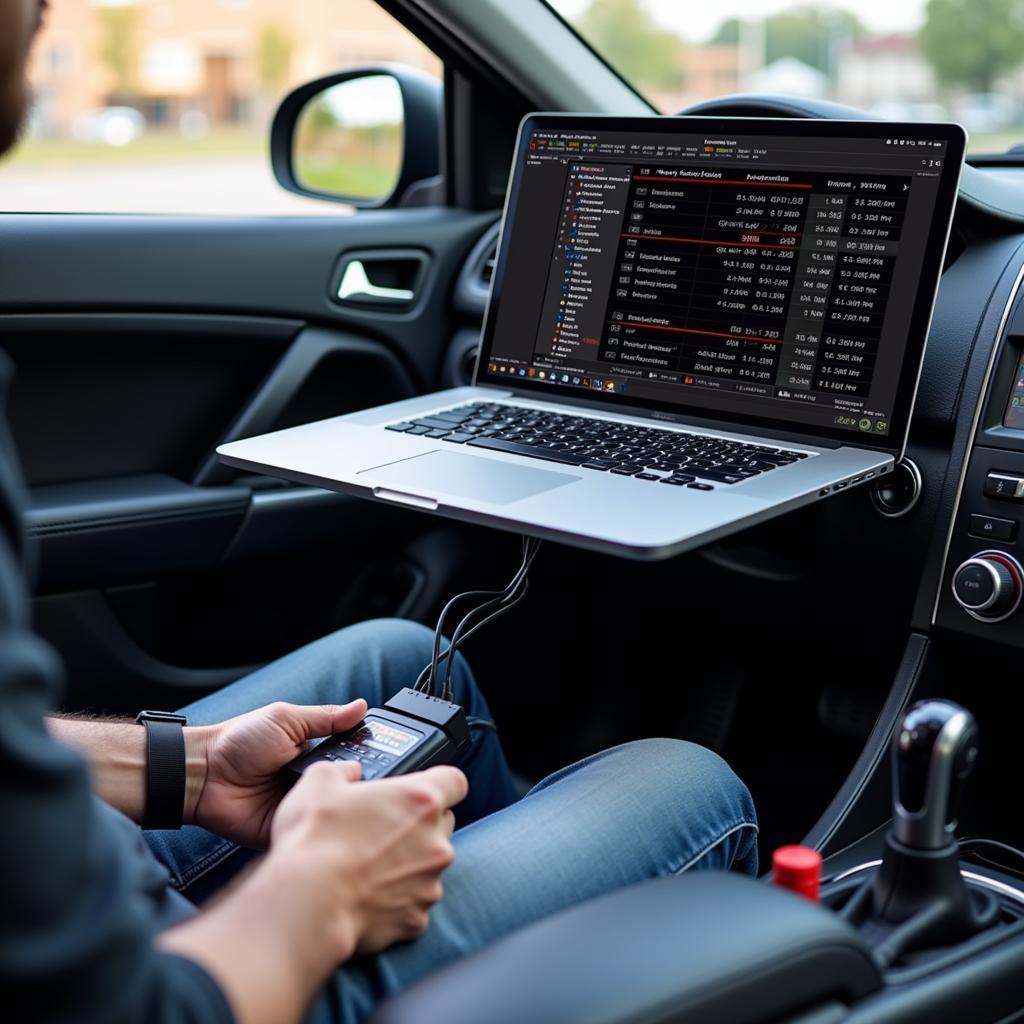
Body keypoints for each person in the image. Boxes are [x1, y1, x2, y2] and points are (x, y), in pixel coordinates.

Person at [0, 3, 758, 1021]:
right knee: (686, 781)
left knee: (398, 660)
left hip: (75, 879)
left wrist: (191, 765)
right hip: (175, 974)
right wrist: (321, 890)